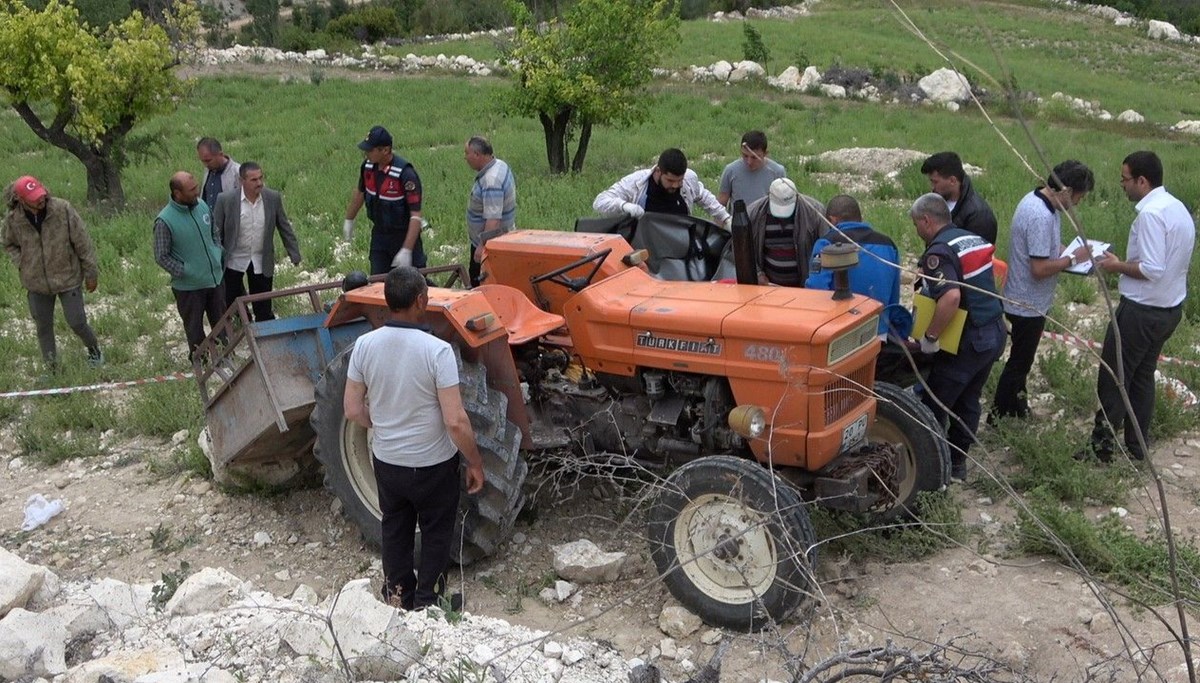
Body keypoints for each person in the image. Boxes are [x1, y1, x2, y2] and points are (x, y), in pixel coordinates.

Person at [343, 266, 486, 610]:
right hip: (432, 466)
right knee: (436, 533)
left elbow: (351, 409)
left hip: (388, 463)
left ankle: (397, 597)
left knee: (395, 530)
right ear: (421, 300)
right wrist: (475, 462)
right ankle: (428, 604)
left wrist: (381, 423)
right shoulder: (437, 351)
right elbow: (455, 421)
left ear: (388, 301)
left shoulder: (364, 346)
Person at [1079, 151, 1195, 462]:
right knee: (1142, 377)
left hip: (1142, 311)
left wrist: (1116, 266)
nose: (1122, 185)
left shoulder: (1150, 215)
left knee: (1114, 377)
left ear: (1142, 181)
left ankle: (1101, 448)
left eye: (1125, 179)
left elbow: (1153, 268)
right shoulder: (1177, 207)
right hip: (1168, 309)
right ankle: (1137, 446)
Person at [910, 193, 1006, 481]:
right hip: (994, 330)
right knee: (968, 401)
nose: (917, 230)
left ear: (927, 220)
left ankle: (932, 471)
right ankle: (957, 465)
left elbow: (950, 297)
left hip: (968, 340)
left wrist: (930, 337)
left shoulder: (938, 253)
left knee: (934, 403)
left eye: (916, 224)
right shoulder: (970, 239)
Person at [992, 160, 1094, 420]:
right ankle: (998, 415)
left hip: (1029, 297)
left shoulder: (1041, 202)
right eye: (1078, 197)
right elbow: (1039, 268)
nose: (1077, 203)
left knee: (1022, 361)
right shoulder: (1040, 215)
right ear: (1066, 190)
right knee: (1019, 363)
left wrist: (1071, 252)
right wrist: (1073, 259)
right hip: (1027, 302)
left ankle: (1018, 408)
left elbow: (1047, 247)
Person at [2, 176, 103, 368]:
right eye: (34, 198)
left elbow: (83, 242)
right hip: (36, 283)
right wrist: (22, 261)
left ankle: (94, 350)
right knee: (43, 327)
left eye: (41, 194)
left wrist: (91, 273)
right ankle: (51, 367)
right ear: (21, 200)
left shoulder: (63, 209)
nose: (40, 199)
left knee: (77, 322)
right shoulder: (13, 220)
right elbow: (8, 244)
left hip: (68, 277)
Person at [212, 162, 302, 322]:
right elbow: (216, 232)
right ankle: (238, 328)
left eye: (261, 178)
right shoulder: (226, 200)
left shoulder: (272, 198)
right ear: (241, 181)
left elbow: (284, 226)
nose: (259, 183)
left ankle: (265, 331)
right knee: (228, 301)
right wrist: (215, 258)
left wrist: (294, 252)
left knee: (263, 304)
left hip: (261, 258)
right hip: (233, 259)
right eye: (253, 180)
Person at [805, 194, 901, 335]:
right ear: (860, 217)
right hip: (878, 329)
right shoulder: (888, 245)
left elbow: (816, 290)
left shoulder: (826, 244)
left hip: (840, 332)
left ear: (832, 220)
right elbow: (894, 296)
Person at [154, 171, 225, 362]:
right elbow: (161, 256)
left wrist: (217, 252)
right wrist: (186, 271)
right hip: (189, 288)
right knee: (194, 329)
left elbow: (214, 231)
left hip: (215, 279)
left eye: (196, 188)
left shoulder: (202, 205)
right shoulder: (164, 221)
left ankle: (227, 356)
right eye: (191, 190)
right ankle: (201, 363)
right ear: (177, 193)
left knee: (222, 324)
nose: (196, 192)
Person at [343, 125, 427, 276]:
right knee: (378, 281)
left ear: (385, 150)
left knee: (412, 283)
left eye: (370, 150)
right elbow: (360, 192)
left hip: (403, 234)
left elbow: (415, 215)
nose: (366, 153)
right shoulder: (368, 167)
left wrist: (407, 249)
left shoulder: (405, 174)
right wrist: (349, 219)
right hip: (380, 235)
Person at [593, 148, 730, 227]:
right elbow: (600, 202)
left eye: (679, 180)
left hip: (680, 240)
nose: (675, 185)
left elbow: (703, 196)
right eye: (670, 180)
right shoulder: (635, 183)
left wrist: (726, 218)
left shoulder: (689, 180)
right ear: (658, 171)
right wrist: (625, 206)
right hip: (645, 245)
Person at [746, 178, 825, 286]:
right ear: (769, 196)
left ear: (797, 196)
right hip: (769, 287)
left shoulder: (815, 212)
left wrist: (814, 281)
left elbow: (826, 248)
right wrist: (758, 273)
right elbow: (743, 250)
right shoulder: (754, 213)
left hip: (805, 287)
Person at [464, 135, 516, 287]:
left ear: (477, 155)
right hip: (502, 239)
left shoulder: (491, 181)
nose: (465, 158)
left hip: (490, 246)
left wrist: (482, 246)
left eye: (467, 153)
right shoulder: (500, 164)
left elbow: (493, 219)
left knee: (480, 288)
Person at [921, 151, 997, 244]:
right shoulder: (937, 203)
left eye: (935, 182)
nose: (932, 187)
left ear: (952, 181)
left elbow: (979, 251)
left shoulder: (979, 215)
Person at [716, 130, 786, 210]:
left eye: (754, 157)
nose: (749, 162)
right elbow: (721, 204)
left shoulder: (777, 172)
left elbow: (782, 204)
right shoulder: (731, 170)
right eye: (745, 156)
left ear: (765, 154)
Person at [196, 137, 240, 209]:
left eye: (208, 160)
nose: (205, 165)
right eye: (203, 161)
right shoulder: (208, 170)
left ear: (220, 154)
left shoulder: (237, 172)